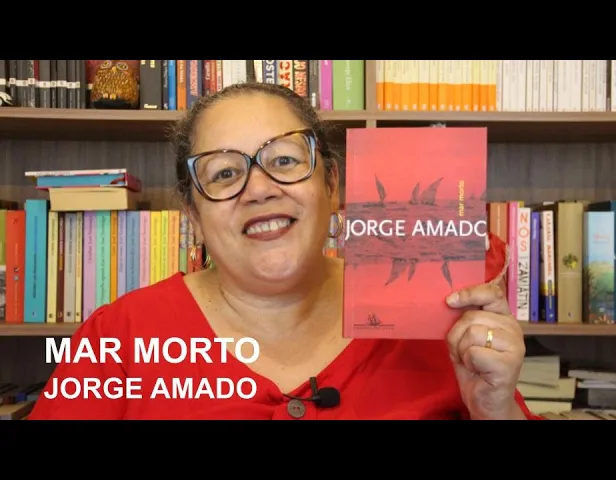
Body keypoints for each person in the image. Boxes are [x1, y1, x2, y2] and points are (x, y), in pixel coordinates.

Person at [29, 82, 539, 420]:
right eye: (224, 173)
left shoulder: (433, 322)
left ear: (332, 186)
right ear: (193, 217)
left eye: (285, 160)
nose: (259, 188)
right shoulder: (118, 339)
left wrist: (496, 412)